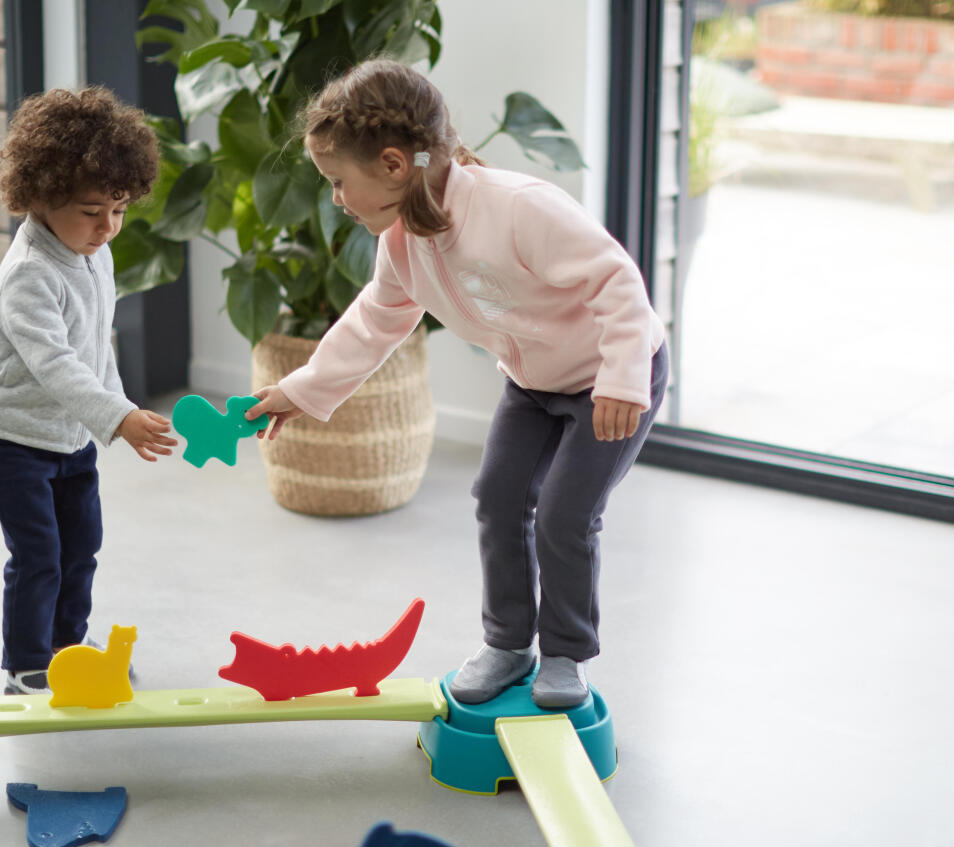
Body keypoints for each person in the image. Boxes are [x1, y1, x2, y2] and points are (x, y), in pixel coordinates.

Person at [247, 59, 668, 709]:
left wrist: (622, 379)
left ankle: (564, 655)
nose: (335, 198)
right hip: (531, 384)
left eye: (337, 182)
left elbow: (617, 283)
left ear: (391, 165)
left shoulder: (518, 209)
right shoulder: (403, 242)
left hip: (611, 380)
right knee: (497, 497)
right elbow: (373, 324)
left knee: (565, 514)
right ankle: (507, 643)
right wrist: (300, 389)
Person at [0, 86, 178, 696]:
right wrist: (118, 417)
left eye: (120, 210)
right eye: (92, 210)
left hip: (73, 440)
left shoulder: (92, 253)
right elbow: (55, 364)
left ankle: (69, 650)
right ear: (42, 197)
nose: (109, 227)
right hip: (18, 442)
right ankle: (26, 663)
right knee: (39, 556)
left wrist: (120, 410)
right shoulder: (28, 273)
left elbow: (98, 347)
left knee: (82, 549)